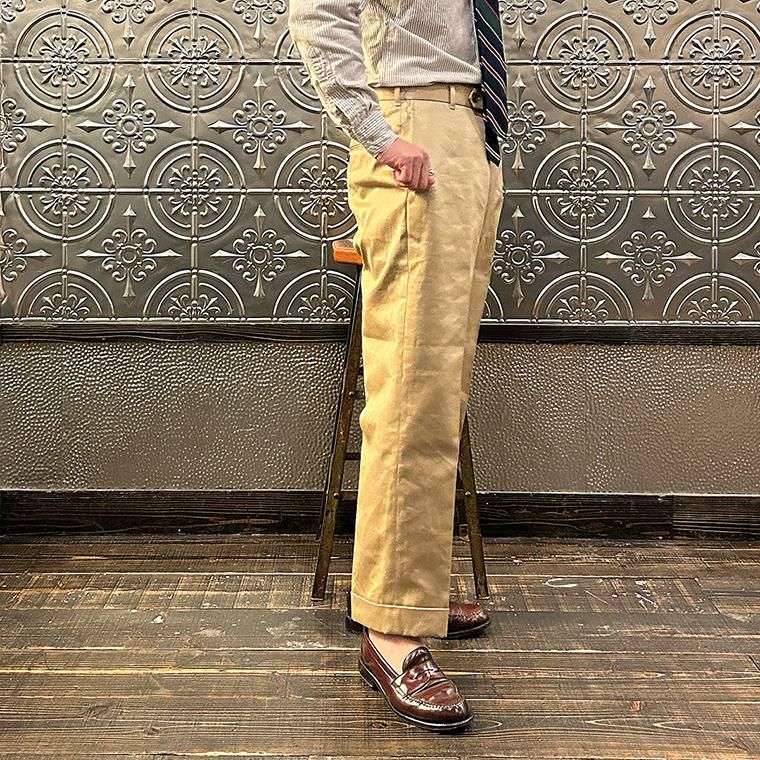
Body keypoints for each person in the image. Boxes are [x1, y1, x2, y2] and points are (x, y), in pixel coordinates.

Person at [288, 0, 508, 733]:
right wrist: (381, 136)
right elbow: (318, 12)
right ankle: (392, 632)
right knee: (413, 388)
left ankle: (408, 590)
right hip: (415, 123)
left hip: (472, 130)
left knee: (439, 385)